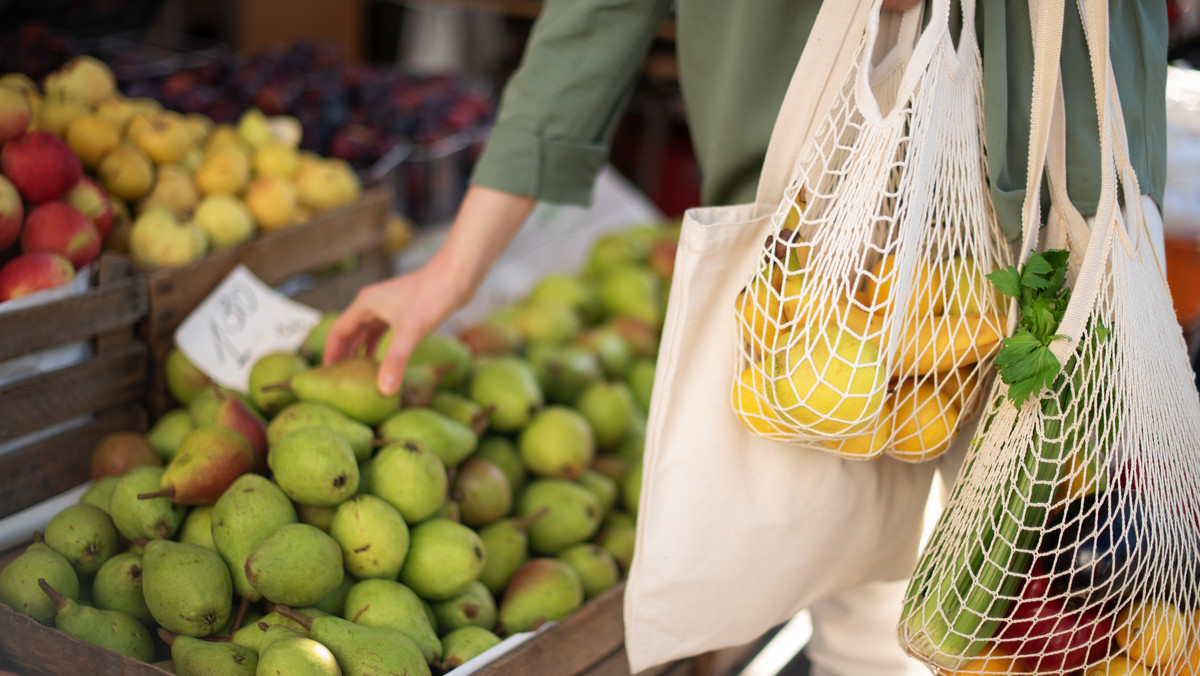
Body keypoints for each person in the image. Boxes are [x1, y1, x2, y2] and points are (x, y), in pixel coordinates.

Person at [324, 2, 1168, 674]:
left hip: (1065, 201)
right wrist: (452, 269)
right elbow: (595, 16)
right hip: (826, 229)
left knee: (1079, 588)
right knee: (855, 586)